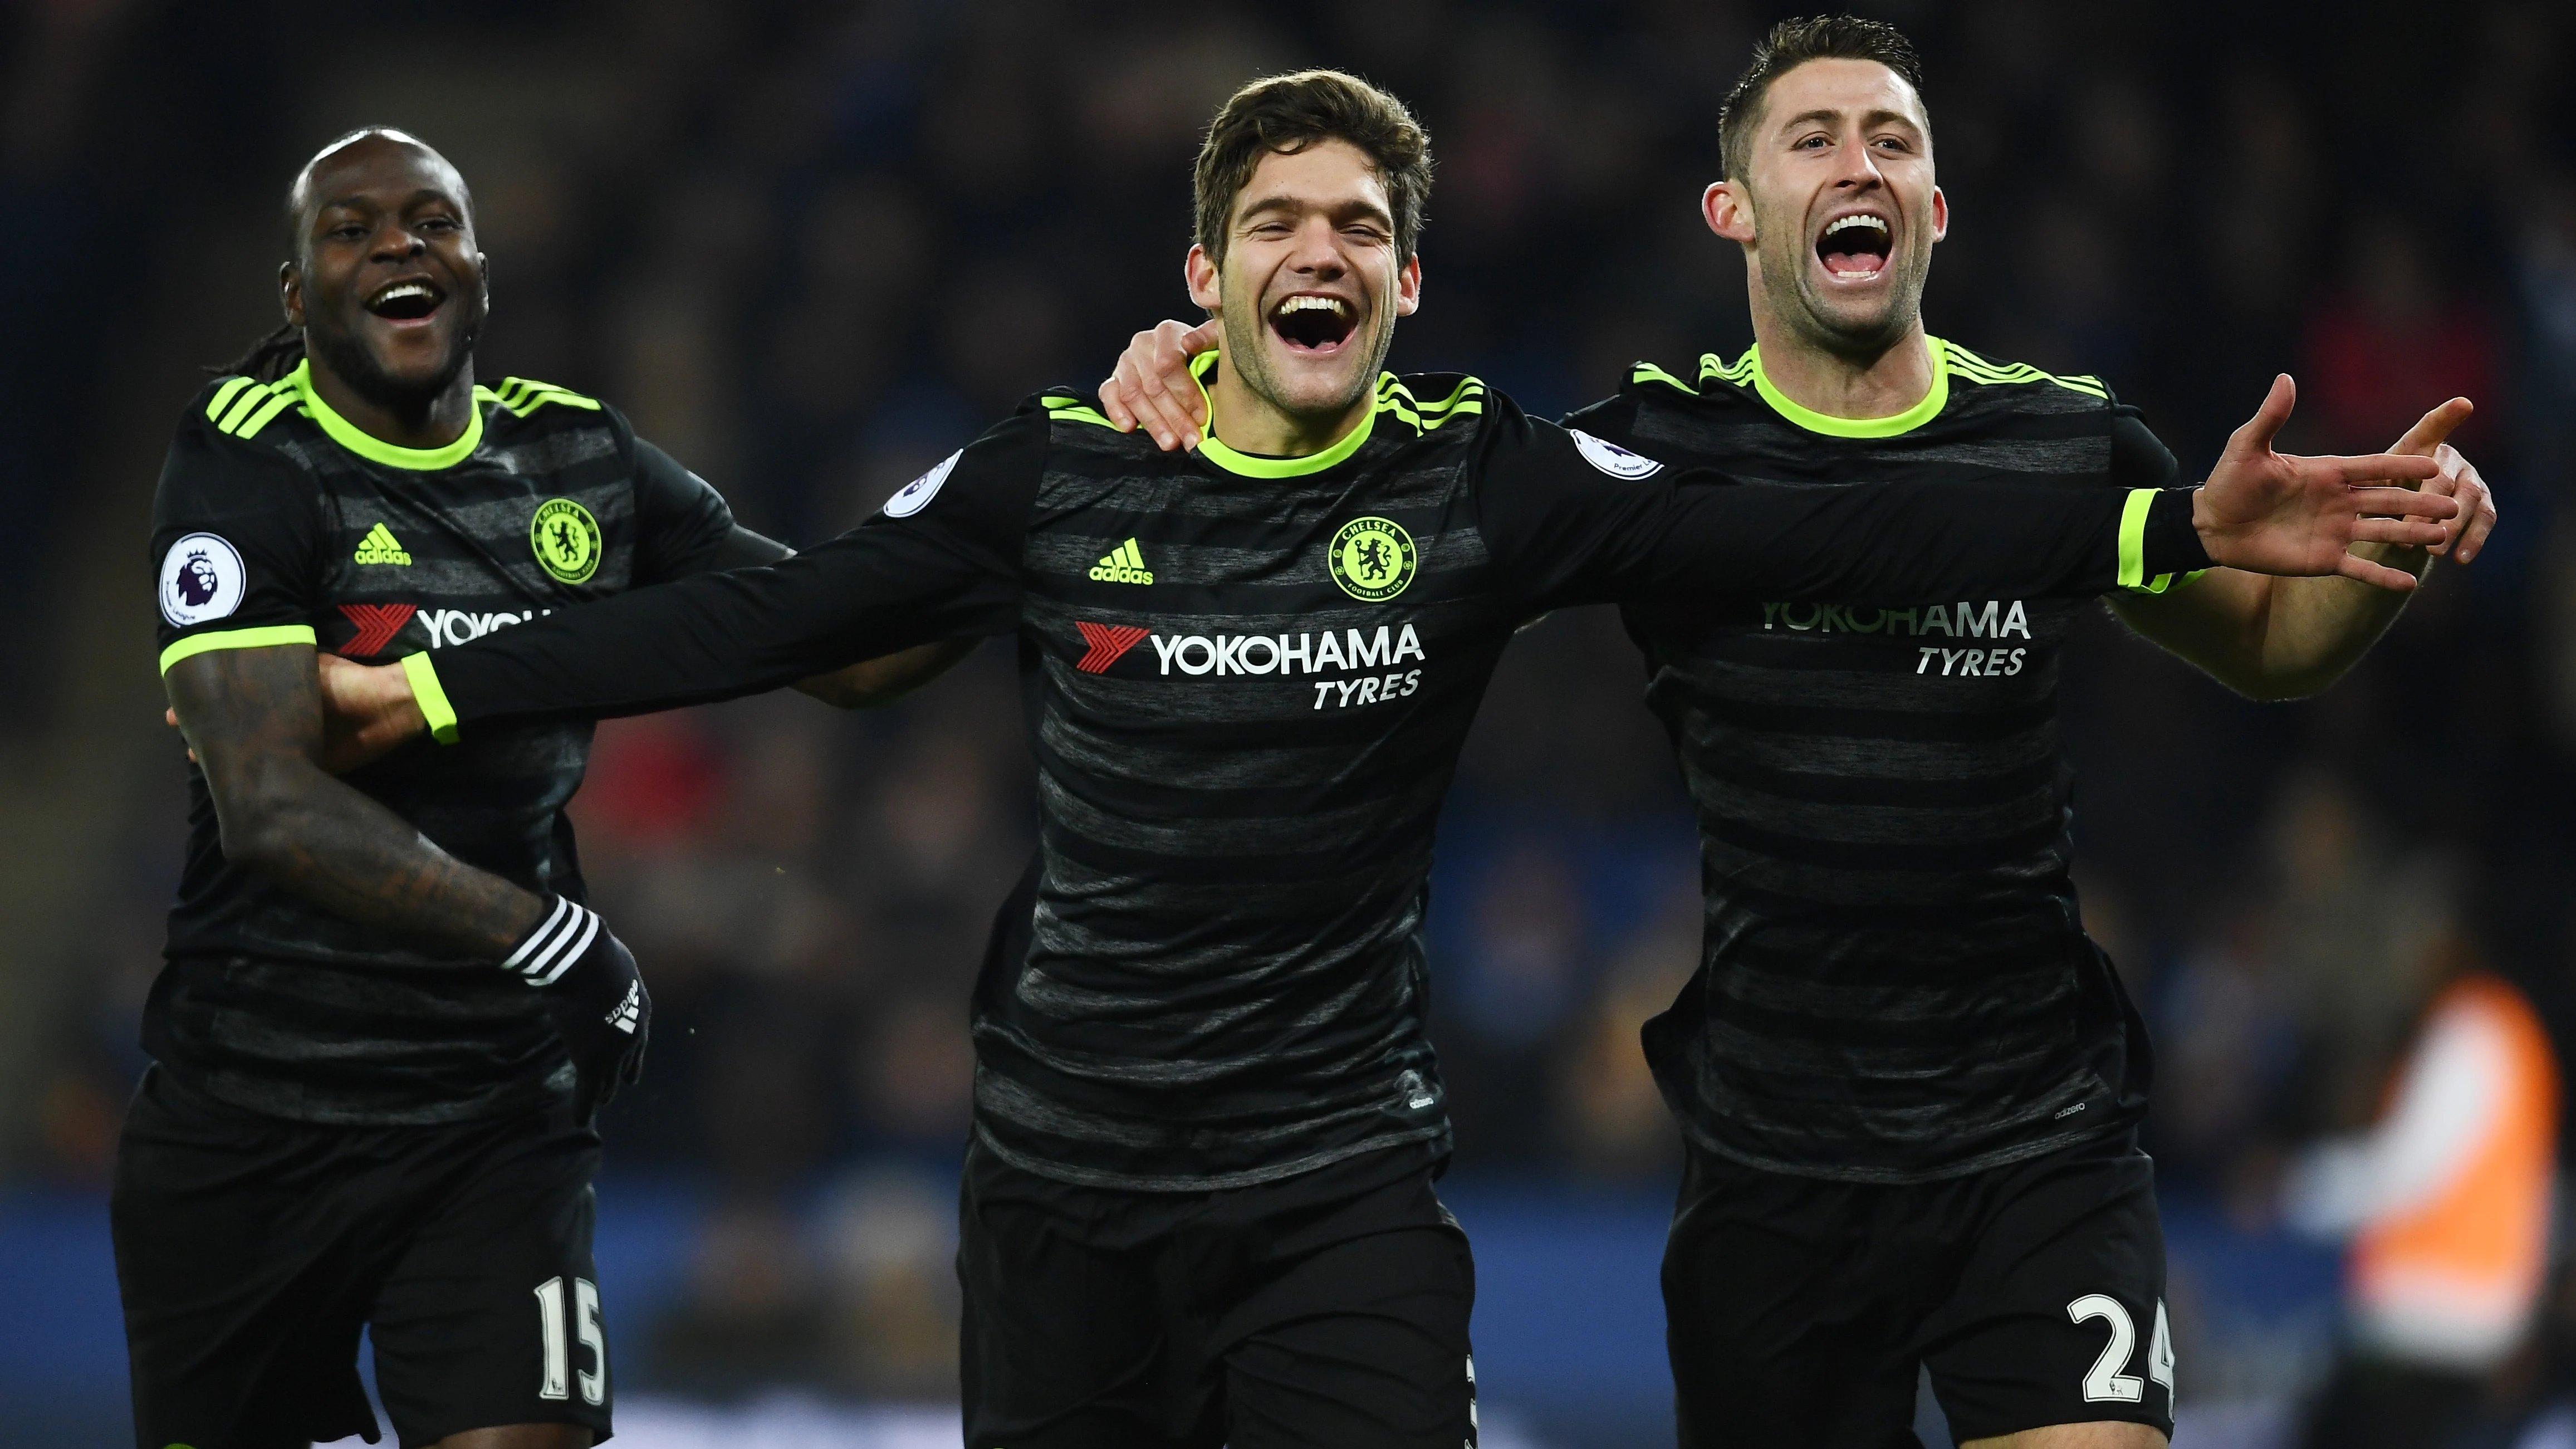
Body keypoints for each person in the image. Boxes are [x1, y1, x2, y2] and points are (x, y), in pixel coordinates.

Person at [312, 72, 2450, 1449]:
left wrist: (2158, 526)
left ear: (1408, 282)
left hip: (1338, 1188)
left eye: (1355, 226)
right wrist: (435, 685)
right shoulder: (1056, 474)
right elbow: (766, 618)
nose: (1313, 253)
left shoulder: (1485, 484)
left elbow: (1832, 519)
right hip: (1062, 1187)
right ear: (1206, 278)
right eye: (1273, 225)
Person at [1094, 21, 2496, 1449]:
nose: (1857, 165)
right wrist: (1194, 371)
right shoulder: (1645, 458)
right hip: (1774, 1170)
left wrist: (2393, 550)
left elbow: (2260, 646)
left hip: (2035, 1143)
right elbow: (1351, 529)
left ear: (1931, 212)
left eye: (1890, 142)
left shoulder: (2058, 442)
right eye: (1811, 139)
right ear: (1734, 210)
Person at [123, 128, 943, 1449]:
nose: (397, 242)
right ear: (293, 295)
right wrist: (544, 936)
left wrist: (1017, 507)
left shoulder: (581, 462)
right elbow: (268, 803)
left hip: (490, 1124)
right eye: (351, 227)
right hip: (255, 1118)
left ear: (477, 270)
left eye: (431, 220)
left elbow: (839, 646)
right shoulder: (246, 464)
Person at [2283, 946, 2560, 1449]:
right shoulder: (2515, 1031)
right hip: (2473, 1329)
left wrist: (2299, 1186)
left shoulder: (2470, 1029)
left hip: (2429, 1329)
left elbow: (2407, 1172)